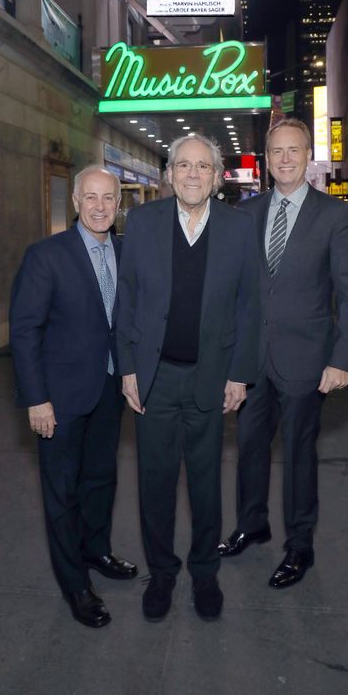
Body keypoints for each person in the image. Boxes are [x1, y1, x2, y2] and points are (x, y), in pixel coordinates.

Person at [117, 135, 259, 622]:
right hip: (154, 379)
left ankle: (204, 573)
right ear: (169, 173)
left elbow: (249, 306)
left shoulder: (240, 228)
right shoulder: (142, 222)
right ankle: (161, 573)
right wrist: (129, 368)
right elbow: (127, 299)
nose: (193, 174)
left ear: (218, 177)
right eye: (184, 165)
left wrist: (240, 374)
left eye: (203, 166)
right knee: (154, 483)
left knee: (205, 485)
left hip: (211, 378)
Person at [219, 119, 348, 589]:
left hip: (307, 360)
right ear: (266, 158)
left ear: (308, 157)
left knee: (299, 455)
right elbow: (235, 290)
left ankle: (300, 545)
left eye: (293, 150)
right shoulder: (246, 212)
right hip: (253, 359)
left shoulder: (334, 215)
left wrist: (342, 359)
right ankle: (252, 524)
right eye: (276, 151)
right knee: (249, 448)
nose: (284, 159)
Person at [9, 165, 137, 629]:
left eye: (109, 198)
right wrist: (36, 399)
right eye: (91, 197)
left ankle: (97, 550)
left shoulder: (127, 252)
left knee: (101, 479)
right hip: (59, 398)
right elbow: (24, 332)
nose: (100, 206)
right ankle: (75, 584)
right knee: (62, 492)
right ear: (75, 202)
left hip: (109, 389)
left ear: (118, 205)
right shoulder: (46, 256)